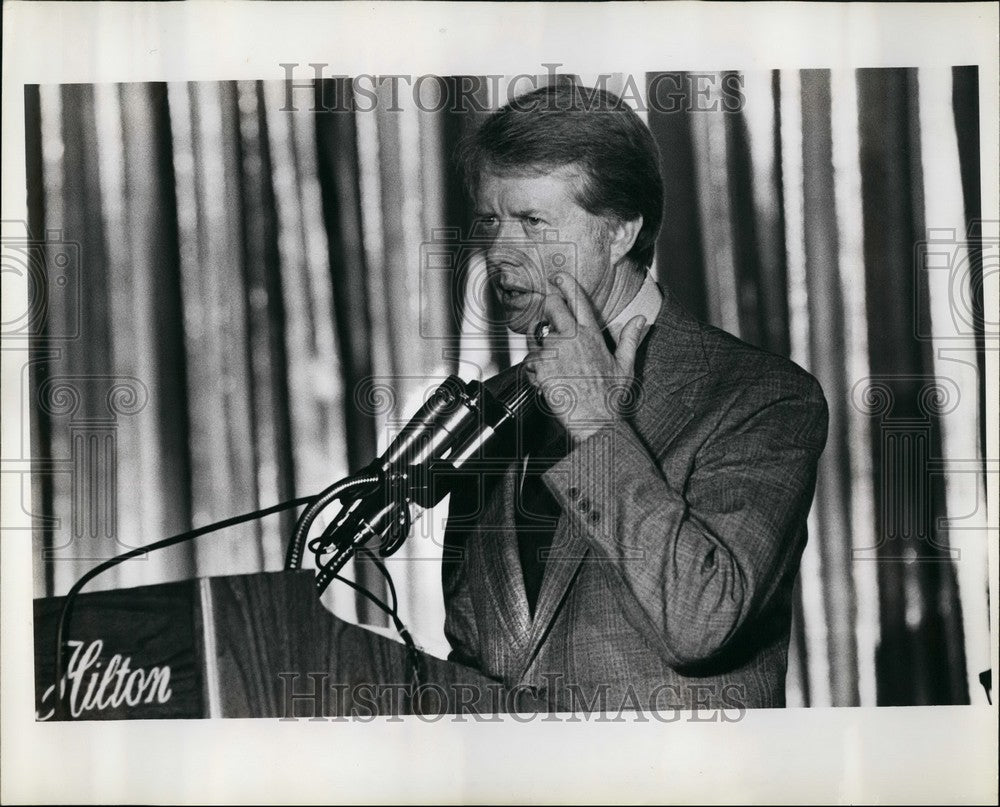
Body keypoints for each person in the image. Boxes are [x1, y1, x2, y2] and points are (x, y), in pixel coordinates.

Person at [440, 82, 829, 712]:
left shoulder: (761, 397)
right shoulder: (493, 408)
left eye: (532, 222)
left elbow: (700, 622)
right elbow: (476, 648)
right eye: (491, 219)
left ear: (619, 232)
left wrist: (596, 422)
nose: (499, 252)